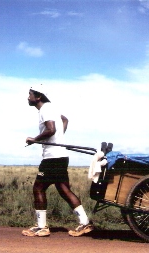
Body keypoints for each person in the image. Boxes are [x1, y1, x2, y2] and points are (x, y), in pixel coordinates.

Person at [22, 84, 93, 237]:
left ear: (38, 97)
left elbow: (51, 129)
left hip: (52, 158)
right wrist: (58, 138)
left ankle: (42, 227)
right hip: (61, 155)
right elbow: (65, 120)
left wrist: (34, 139)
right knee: (64, 189)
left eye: (30, 94)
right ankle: (85, 223)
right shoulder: (51, 108)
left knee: (38, 188)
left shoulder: (45, 109)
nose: (28, 97)